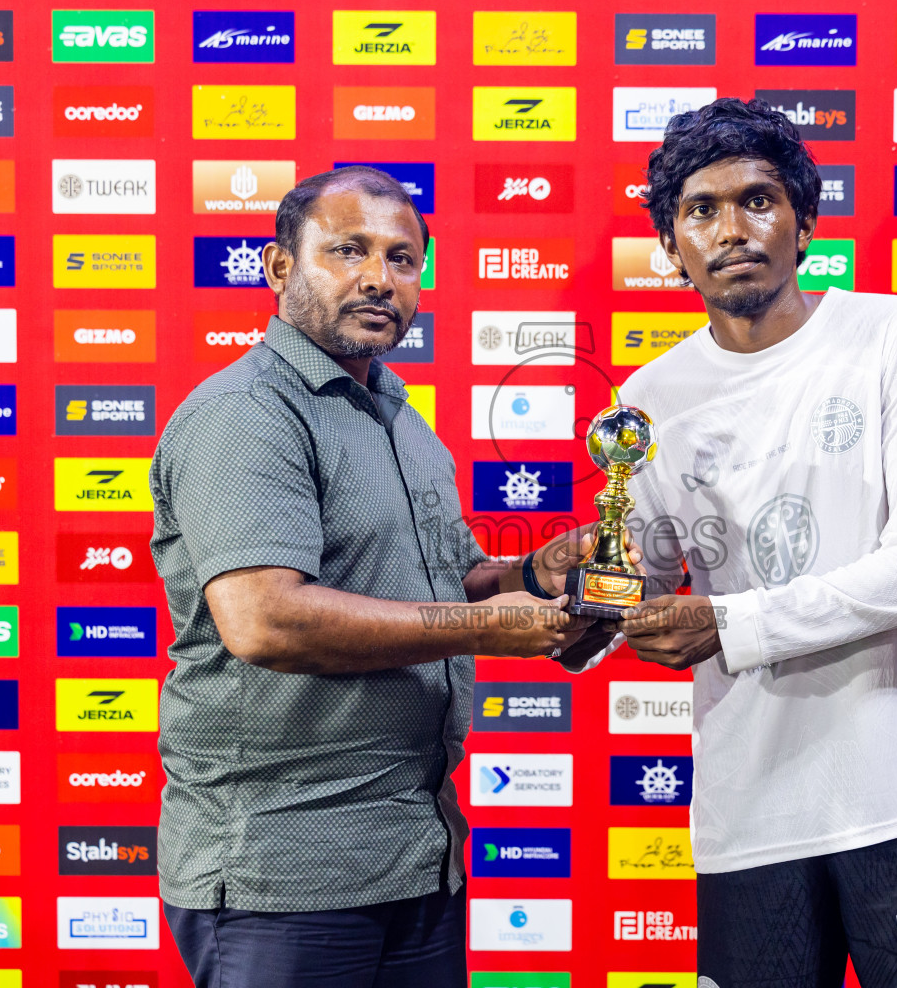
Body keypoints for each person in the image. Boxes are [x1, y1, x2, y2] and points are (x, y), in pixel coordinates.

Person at [148, 166, 607, 987]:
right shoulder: (246, 413)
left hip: (416, 854)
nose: (379, 278)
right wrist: (488, 629)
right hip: (283, 869)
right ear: (279, 268)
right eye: (347, 251)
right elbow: (265, 620)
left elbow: (450, 585)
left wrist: (539, 572)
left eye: (402, 259)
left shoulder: (399, 416)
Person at [587, 99, 897, 987]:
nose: (731, 228)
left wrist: (731, 625)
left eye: (758, 200)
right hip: (752, 813)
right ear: (671, 247)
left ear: (805, 220)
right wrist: (599, 583)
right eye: (700, 210)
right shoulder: (651, 396)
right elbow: (654, 580)